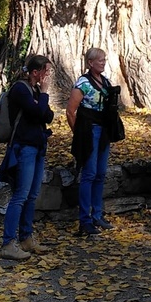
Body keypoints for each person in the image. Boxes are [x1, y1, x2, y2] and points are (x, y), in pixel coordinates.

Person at [0, 55, 54, 261]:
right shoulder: (20, 89)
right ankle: (8, 243)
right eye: (46, 71)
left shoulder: (35, 90)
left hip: (38, 146)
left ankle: (26, 237)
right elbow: (37, 112)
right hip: (24, 148)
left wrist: (41, 100)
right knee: (20, 195)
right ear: (35, 72)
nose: (48, 75)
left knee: (32, 195)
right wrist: (44, 95)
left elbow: (48, 116)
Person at [66, 47, 122, 238]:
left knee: (100, 173)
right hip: (89, 132)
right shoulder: (83, 83)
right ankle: (85, 220)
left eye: (104, 59)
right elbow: (70, 111)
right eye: (100, 60)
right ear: (90, 63)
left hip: (103, 132)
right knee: (89, 174)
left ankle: (97, 215)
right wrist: (78, 134)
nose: (103, 63)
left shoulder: (105, 82)